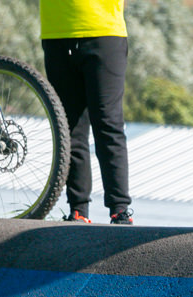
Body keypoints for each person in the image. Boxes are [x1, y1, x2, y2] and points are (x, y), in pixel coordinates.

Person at [40, 0, 134, 225]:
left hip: (103, 32)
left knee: (107, 123)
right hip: (56, 33)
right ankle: (78, 210)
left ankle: (119, 210)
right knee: (69, 128)